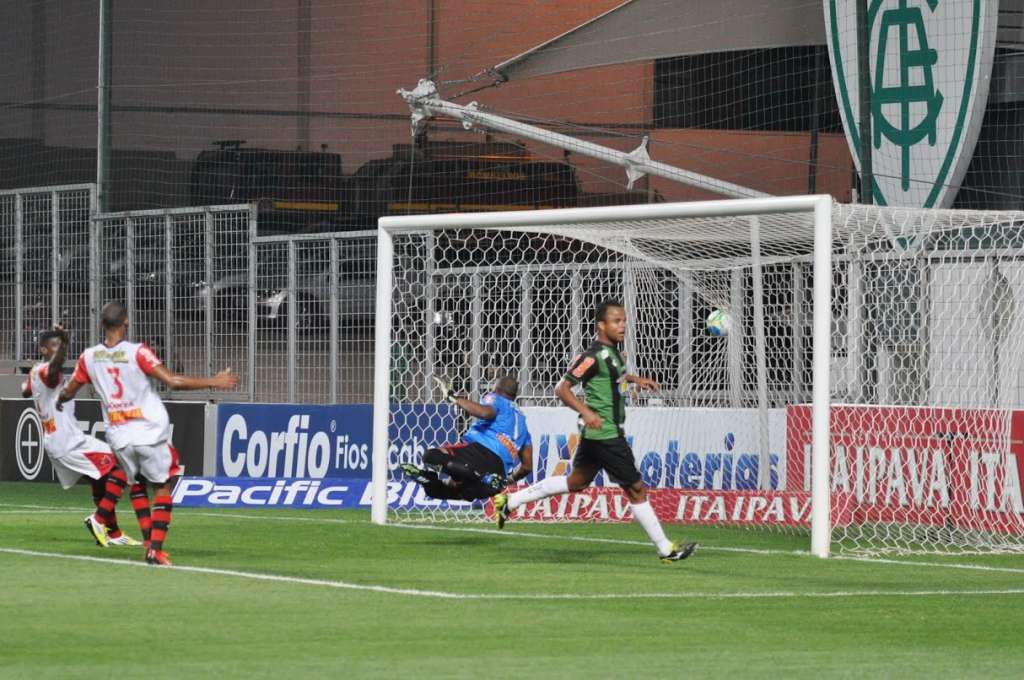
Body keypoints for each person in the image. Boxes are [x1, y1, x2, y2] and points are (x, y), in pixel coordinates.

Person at [493, 299, 697, 564]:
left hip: (598, 436)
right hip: (605, 434)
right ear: (601, 325)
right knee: (636, 488)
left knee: (575, 482)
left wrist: (635, 379)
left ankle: (510, 502)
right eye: (616, 321)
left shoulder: (613, 354)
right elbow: (562, 389)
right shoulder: (592, 356)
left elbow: (614, 378)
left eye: (623, 320)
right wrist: (586, 412)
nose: (622, 325)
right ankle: (666, 550)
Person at [59, 302, 239, 566]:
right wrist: (214, 381)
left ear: (102, 325)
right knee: (163, 486)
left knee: (136, 484)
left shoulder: (89, 357)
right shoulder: (137, 352)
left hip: (118, 434)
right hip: (148, 430)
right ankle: (155, 548)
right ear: (126, 322)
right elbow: (173, 382)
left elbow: (69, 390)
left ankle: (148, 543)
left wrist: (60, 397)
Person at [22, 325, 144, 548]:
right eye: (54, 346)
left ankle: (113, 533)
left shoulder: (37, 371)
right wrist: (66, 342)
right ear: (43, 350)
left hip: (58, 441)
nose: (59, 349)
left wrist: (34, 385)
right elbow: (51, 372)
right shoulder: (48, 371)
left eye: (60, 345)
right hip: (68, 442)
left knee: (99, 479)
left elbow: (25, 391)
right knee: (122, 464)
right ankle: (98, 520)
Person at [401, 375, 533, 502]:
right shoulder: (523, 427)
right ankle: (430, 481)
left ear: (497, 389)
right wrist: (509, 480)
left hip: (477, 453)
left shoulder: (497, 399)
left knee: (431, 456)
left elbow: (485, 412)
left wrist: (453, 398)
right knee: (449, 490)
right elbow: (527, 466)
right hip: (497, 475)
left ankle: (478, 477)